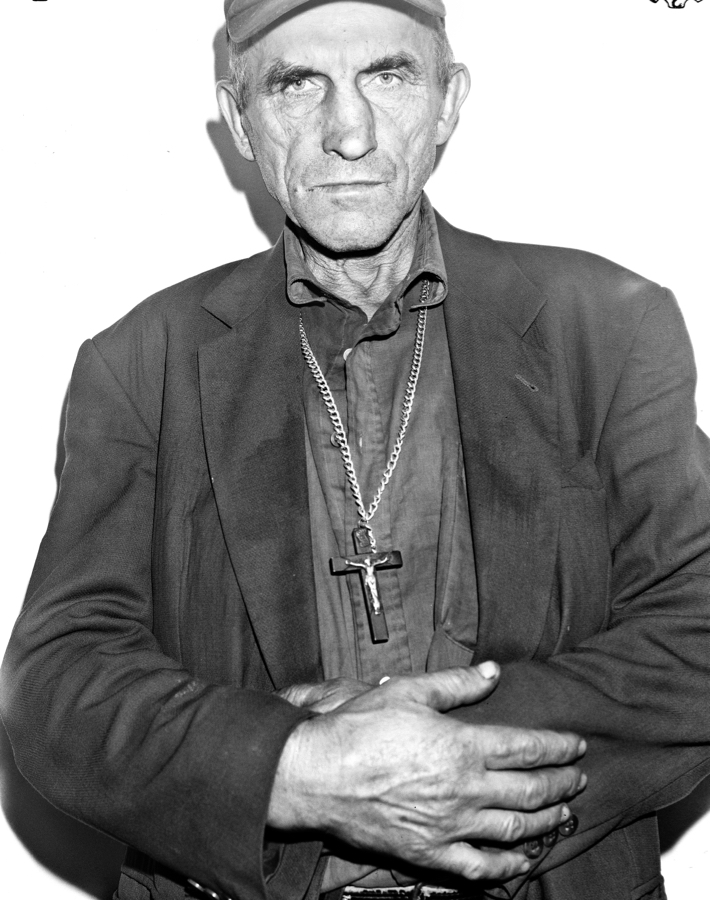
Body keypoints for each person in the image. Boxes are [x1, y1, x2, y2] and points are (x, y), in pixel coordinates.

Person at [1, 1, 709, 898]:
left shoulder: (607, 326)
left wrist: (420, 761)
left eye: (389, 76)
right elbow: (58, 686)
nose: (350, 132)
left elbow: (697, 631)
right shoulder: (142, 362)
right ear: (239, 121)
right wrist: (297, 770)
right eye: (298, 85)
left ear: (448, 101)